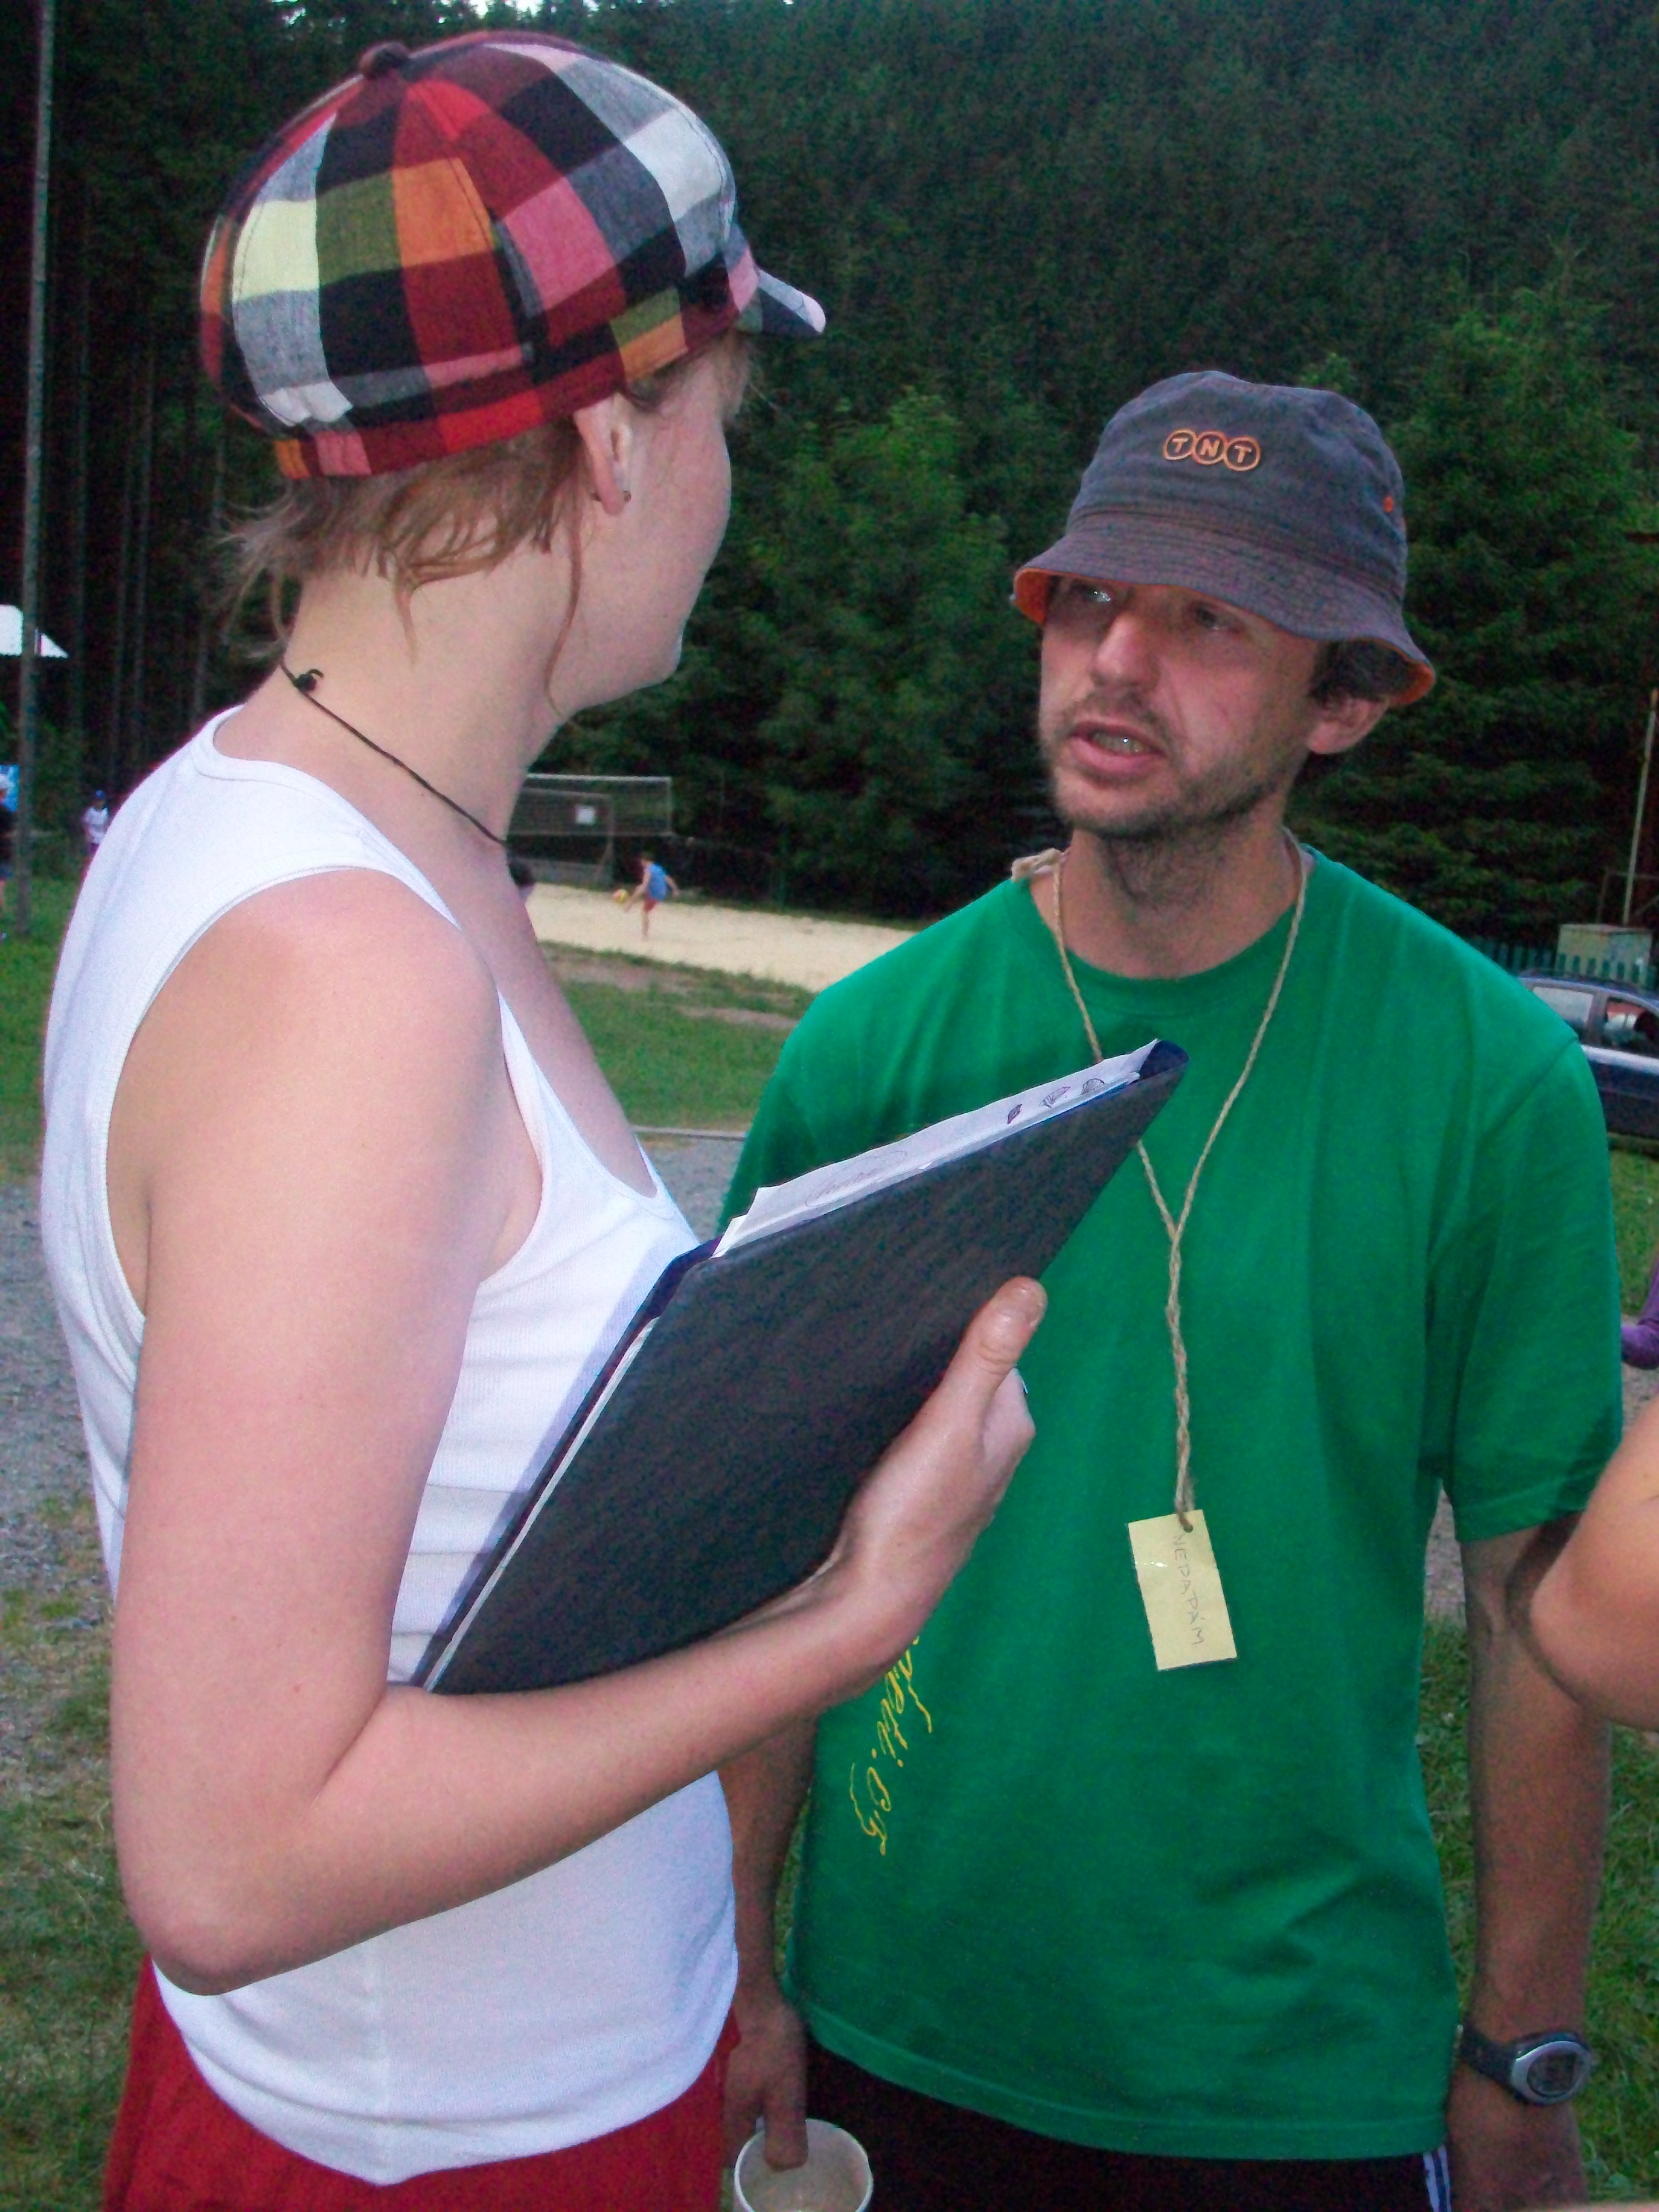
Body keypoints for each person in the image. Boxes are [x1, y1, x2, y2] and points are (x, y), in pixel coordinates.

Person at [39, 33, 1043, 2211]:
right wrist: (836, 1619)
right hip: (435, 2155)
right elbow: (228, 1860)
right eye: (722, 417)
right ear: (609, 434)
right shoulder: (349, 974)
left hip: (519, 2084)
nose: (721, 481)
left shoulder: (294, 816)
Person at [720, 374, 1618, 2212]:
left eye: (1208, 621)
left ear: (1341, 701)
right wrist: (731, 1966)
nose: (1116, 661)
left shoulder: (1485, 1080)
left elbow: (1534, 1604)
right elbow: (756, 1543)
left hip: (1295, 2067)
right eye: (1091, 600)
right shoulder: (874, 1055)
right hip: (905, 2015)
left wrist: (1518, 2051)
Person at [625, 850, 679, 936]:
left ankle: (645, 935)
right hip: (662, 892)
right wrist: (675, 889)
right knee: (640, 889)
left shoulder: (648, 870)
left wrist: (634, 898)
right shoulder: (658, 868)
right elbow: (668, 879)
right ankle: (631, 904)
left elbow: (644, 885)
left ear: (643, 861)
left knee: (644, 911)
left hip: (655, 893)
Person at [81, 790, 111, 865]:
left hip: (102, 838)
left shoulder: (105, 812)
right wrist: (88, 834)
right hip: (93, 838)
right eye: (97, 800)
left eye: (100, 801)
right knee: (92, 857)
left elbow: (106, 824)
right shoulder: (91, 812)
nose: (99, 803)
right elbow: (85, 823)